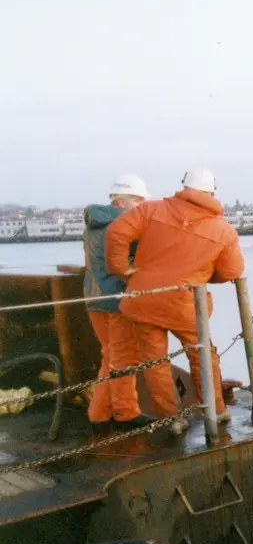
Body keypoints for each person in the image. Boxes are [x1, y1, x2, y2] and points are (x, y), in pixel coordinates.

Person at [105, 167, 243, 431]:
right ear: (213, 192)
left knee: (155, 362)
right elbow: (232, 271)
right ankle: (215, 410)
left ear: (184, 187)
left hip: (143, 300)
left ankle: (171, 419)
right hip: (186, 305)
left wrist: (120, 269)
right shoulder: (223, 230)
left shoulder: (151, 209)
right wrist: (202, 275)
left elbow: (115, 234)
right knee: (203, 355)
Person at [83, 174, 150, 429]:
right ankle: (125, 412)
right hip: (116, 300)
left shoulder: (92, 224)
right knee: (123, 359)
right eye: (140, 200)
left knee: (109, 356)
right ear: (126, 200)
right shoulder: (126, 223)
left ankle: (100, 413)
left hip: (93, 298)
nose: (142, 206)